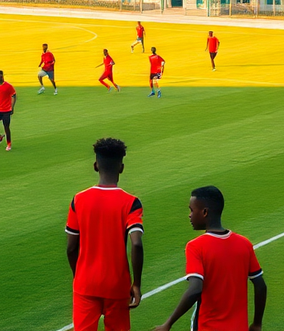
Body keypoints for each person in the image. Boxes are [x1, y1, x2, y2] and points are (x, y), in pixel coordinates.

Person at [153, 186, 266, 331]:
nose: (189, 215)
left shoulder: (196, 247)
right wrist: (257, 323)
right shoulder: (244, 244)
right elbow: (260, 285)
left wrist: (168, 323)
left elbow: (195, 289)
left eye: (192, 210)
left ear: (205, 212)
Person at [65, 138, 144, 331]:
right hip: (117, 285)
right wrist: (136, 283)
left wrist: (79, 276)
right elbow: (136, 244)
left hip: (86, 283)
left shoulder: (79, 200)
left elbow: (71, 247)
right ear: (121, 168)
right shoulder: (131, 203)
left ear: (95, 165)